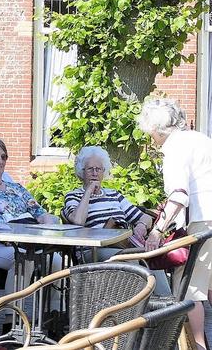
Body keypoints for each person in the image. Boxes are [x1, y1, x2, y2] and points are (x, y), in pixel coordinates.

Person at [138, 97, 212, 350]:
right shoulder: (200, 139)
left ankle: (198, 347)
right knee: (210, 286)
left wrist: (157, 232)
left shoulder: (175, 148)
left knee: (189, 290)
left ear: (156, 129)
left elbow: (179, 194)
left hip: (202, 223)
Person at [0, 137, 60, 297]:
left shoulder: (17, 188)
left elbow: (40, 213)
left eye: (3, 157)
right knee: (23, 259)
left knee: (56, 260)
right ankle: (12, 317)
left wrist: (47, 227)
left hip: (26, 244)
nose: (0, 161)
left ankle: (52, 315)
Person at [62, 146, 153, 258]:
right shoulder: (74, 196)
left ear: (103, 171)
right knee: (134, 260)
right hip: (93, 252)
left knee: (154, 258)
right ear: (81, 171)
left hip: (121, 247)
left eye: (98, 169)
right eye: (90, 169)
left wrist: (141, 226)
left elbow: (146, 218)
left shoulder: (113, 194)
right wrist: (89, 191)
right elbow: (78, 221)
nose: (95, 173)